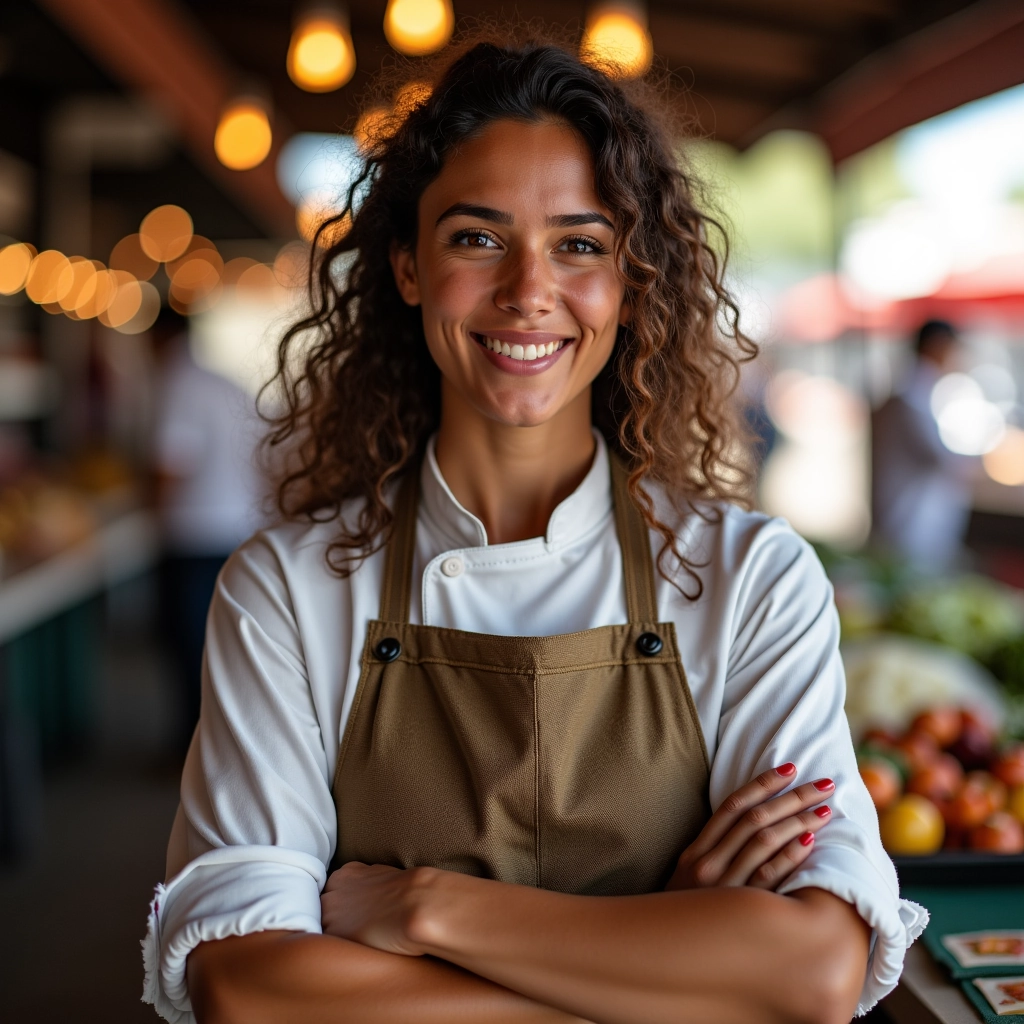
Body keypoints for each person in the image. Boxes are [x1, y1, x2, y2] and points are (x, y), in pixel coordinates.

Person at [143, 37, 925, 1024]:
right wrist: (668, 957)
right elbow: (249, 989)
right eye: (476, 238)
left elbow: (812, 971)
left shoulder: (749, 577)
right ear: (408, 267)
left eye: (580, 244)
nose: (527, 290)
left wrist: (430, 907)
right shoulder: (288, 588)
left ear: (632, 280)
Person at [151, 306, 266, 750]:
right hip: (237, 528)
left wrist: (149, 526)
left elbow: (171, 467)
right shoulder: (221, 382)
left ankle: (194, 747)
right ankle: (222, 743)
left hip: (193, 533)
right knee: (220, 646)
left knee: (188, 646)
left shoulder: (177, 382)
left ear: (157, 337)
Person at [871, 319, 975, 571]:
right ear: (938, 346)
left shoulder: (914, 392)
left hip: (907, 519)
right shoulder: (911, 396)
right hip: (910, 523)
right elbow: (941, 458)